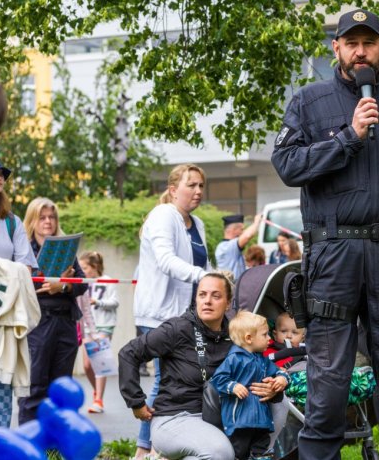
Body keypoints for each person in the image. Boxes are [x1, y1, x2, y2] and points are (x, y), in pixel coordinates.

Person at [271, 9, 379, 459]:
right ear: (337, 49)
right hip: (334, 256)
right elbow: (288, 165)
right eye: (352, 43)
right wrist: (348, 136)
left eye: (369, 42)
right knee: (328, 382)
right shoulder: (308, 102)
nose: (360, 51)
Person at [119, 273, 284, 460]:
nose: (207, 301)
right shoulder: (177, 329)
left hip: (221, 415)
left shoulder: (236, 333)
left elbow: (257, 369)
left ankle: (255, 455)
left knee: (281, 403)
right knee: (220, 453)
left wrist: (273, 389)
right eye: (202, 294)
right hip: (177, 417)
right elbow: (129, 353)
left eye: (216, 296)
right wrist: (136, 402)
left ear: (228, 303)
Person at [133, 163, 212, 458]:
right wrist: (202, 277)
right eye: (191, 185)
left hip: (186, 317)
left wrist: (220, 280)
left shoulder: (198, 224)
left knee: (174, 381)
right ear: (172, 190)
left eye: (201, 186)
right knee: (165, 381)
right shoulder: (163, 216)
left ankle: (156, 447)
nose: (198, 191)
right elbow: (166, 261)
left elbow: (204, 267)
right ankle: (146, 450)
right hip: (159, 315)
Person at [0, 60, 40, 426]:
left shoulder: (12, 222)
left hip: (3, 320)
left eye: (2, 173)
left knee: (1, 389)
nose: (0, 177)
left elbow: (26, 267)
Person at [18, 197, 88, 424]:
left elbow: (83, 283)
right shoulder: (24, 249)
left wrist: (64, 285)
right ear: (33, 220)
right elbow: (20, 284)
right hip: (38, 323)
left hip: (66, 323)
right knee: (34, 386)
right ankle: (28, 445)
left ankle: (54, 447)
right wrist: (51, 283)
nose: (48, 221)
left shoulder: (65, 247)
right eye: (42, 217)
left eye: (52, 217)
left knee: (61, 387)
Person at [211, 311, 289, 460]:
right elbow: (218, 378)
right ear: (248, 338)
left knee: (262, 451)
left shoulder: (263, 360)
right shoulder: (234, 359)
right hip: (240, 423)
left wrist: (282, 379)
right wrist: (233, 386)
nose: (269, 339)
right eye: (265, 335)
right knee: (239, 453)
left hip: (262, 422)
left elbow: (280, 372)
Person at [78, 251, 119, 414]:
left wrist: (98, 302)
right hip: (88, 327)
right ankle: (97, 392)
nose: (82, 270)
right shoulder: (82, 282)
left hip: (104, 326)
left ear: (94, 267)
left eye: (84, 267)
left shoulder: (108, 281)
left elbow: (115, 302)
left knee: (99, 363)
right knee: (87, 365)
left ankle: (98, 400)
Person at [215, 213, 263, 281]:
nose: (243, 232)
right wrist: (257, 221)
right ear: (233, 229)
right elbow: (247, 236)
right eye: (242, 229)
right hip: (231, 287)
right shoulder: (226, 247)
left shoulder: (228, 246)